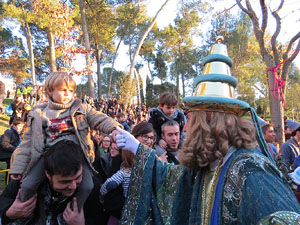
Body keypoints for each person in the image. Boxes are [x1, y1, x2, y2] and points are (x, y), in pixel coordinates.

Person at [115, 38, 300, 224]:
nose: (185, 127)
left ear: (210, 119)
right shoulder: (210, 165)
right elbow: (171, 176)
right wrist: (138, 149)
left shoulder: (252, 172)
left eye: (192, 119)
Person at [9, 72, 121, 211]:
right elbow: (26, 144)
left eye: (71, 91)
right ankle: (24, 210)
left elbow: (99, 118)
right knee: (27, 184)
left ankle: (74, 210)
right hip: (49, 155)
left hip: (77, 155)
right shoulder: (38, 114)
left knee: (87, 186)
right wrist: (18, 168)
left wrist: (114, 128)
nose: (68, 94)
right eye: (63, 90)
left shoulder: (81, 108)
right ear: (50, 91)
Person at [0, 140, 85, 225]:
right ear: (48, 174)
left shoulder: (87, 190)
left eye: (78, 177)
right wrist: (8, 214)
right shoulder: (22, 181)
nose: (73, 186)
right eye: (65, 182)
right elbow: (3, 202)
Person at [99, 150, 134, 225]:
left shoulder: (124, 172)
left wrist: (101, 195)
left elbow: (110, 184)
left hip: (128, 206)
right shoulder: (146, 169)